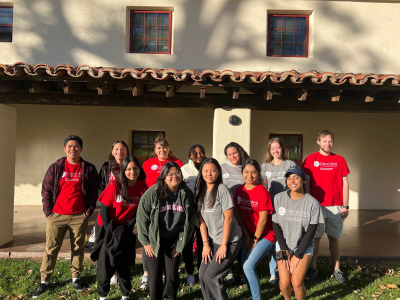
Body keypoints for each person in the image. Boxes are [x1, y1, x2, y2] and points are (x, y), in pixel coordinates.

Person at [32, 135, 98, 298]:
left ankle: (76, 277)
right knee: (51, 248)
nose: (72, 149)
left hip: (79, 216)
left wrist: (88, 212)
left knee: (78, 248)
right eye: (69, 146)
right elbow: (46, 190)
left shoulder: (88, 168)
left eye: (76, 146)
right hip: (57, 215)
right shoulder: (55, 168)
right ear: (64, 148)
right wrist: (48, 212)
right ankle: (44, 281)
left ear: (81, 149)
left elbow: (94, 192)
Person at [137, 162, 197, 300]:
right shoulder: (153, 192)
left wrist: (181, 243)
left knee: (172, 273)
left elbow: (190, 220)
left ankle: (170, 297)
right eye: (170, 174)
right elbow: (142, 219)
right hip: (154, 239)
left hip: (174, 240)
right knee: (155, 273)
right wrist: (146, 242)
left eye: (177, 173)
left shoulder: (186, 193)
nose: (174, 176)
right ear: (163, 176)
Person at [91, 155, 148, 300]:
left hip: (125, 227)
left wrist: (129, 226)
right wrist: (110, 229)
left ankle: (125, 294)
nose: (132, 172)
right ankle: (103, 295)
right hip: (106, 226)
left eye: (135, 168)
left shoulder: (142, 186)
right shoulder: (114, 186)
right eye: (128, 169)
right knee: (105, 262)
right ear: (123, 170)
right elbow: (104, 210)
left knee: (123, 261)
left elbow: (140, 210)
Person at [301, 130, 350, 283]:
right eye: (324, 141)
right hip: (317, 206)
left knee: (334, 238)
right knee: (315, 238)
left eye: (330, 141)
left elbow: (345, 183)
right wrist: (309, 202)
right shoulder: (311, 159)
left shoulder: (340, 159)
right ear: (318, 142)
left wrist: (346, 206)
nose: (327, 144)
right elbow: (306, 183)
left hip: (336, 206)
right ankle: (313, 268)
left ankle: (336, 269)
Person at [272, 166, 324, 300]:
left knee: (297, 283)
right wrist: (284, 249)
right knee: (284, 283)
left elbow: (311, 232)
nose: (292, 180)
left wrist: (297, 255)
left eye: (296, 177)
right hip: (284, 245)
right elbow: (276, 224)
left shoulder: (313, 203)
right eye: (289, 178)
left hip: (304, 246)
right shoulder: (279, 198)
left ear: (304, 181)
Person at [139, 136, 184, 289]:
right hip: (152, 205)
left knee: (166, 236)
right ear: (155, 150)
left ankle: (166, 271)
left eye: (164, 147)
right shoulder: (148, 163)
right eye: (159, 148)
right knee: (150, 238)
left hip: (170, 204)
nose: (162, 150)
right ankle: (147, 273)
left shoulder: (177, 163)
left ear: (168, 148)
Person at [196, 158, 242, 300]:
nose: (209, 173)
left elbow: (228, 219)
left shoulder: (222, 189)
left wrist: (223, 246)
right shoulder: (200, 191)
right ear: (201, 172)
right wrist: (205, 244)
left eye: (213, 170)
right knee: (202, 276)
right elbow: (201, 221)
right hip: (213, 241)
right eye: (206, 170)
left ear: (219, 172)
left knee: (212, 276)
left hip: (230, 241)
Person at [234, 159, 276, 300]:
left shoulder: (262, 192)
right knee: (246, 268)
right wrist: (247, 237)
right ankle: (253, 292)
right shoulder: (239, 191)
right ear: (242, 173)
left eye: (253, 172)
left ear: (258, 174)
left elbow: (263, 220)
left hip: (265, 235)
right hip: (249, 235)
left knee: (248, 267)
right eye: (246, 172)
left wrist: (255, 240)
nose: (250, 175)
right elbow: (238, 214)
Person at [261, 137, 296, 284]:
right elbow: (263, 188)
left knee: (287, 238)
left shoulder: (290, 164)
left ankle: (288, 268)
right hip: (270, 208)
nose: (276, 151)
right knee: (272, 238)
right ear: (269, 151)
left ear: (283, 149)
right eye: (273, 148)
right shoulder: (265, 167)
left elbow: (295, 184)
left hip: (286, 206)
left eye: (278, 148)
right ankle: (273, 272)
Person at [220, 142, 249, 283]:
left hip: (244, 210)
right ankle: (229, 271)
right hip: (227, 212)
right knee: (229, 240)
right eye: (229, 154)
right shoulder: (222, 168)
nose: (233, 156)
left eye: (235, 153)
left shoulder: (246, 167)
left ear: (240, 152)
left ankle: (244, 271)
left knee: (243, 241)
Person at [181, 144, 206, 286]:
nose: (198, 155)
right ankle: (190, 273)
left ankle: (202, 270)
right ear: (190, 155)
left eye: (201, 152)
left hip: (204, 212)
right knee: (188, 243)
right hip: (189, 212)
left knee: (203, 242)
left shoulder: (208, 166)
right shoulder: (184, 169)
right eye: (195, 153)